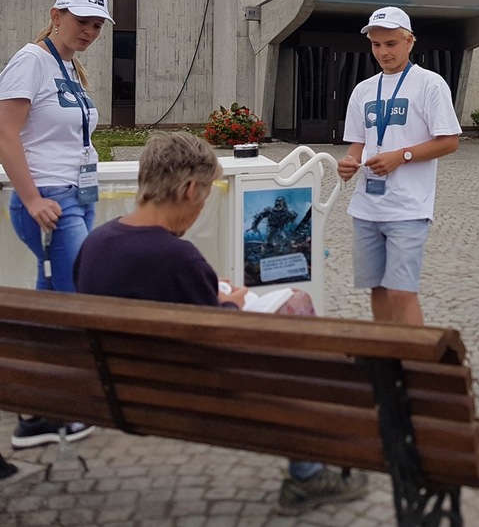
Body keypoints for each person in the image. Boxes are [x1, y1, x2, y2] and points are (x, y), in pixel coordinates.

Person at [74, 131, 368, 515]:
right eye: (206, 196)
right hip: (189, 394)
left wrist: (214, 299)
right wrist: (231, 302)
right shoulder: (177, 257)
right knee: (297, 321)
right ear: (190, 190)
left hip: (117, 387)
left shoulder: (95, 242)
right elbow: (216, 342)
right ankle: (308, 473)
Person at [0, 0, 112, 449]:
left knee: (52, 306)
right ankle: (56, 408)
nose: (90, 31)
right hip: (50, 201)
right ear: (56, 14)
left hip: (77, 196)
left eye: (97, 25)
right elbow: (5, 134)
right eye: (83, 20)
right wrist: (33, 198)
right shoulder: (31, 60)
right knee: (76, 300)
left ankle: (37, 409)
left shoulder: (66, 65)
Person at [337, 6, 460, 326]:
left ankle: (414, 365)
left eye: (391, 44)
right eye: (376, 45)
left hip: (408, 208)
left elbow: (449, 141)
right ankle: (387, 362)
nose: (383, 52)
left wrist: (400, 156)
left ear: (410, 42)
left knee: (402, 292)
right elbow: (357, 145)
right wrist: (349, 163)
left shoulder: (430, 85)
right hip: (366, 207)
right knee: (377, 289)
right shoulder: (363, 90)